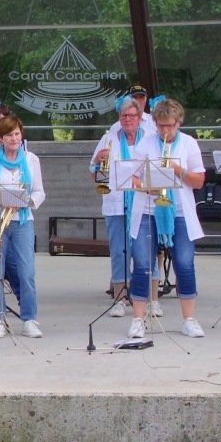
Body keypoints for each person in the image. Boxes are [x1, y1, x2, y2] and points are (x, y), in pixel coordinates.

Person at [128, 97, 206, 339]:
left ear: (178, 123)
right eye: (160, 125)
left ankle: (189, 319)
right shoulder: (146, 143)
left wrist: (177, 169)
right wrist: (146, 188)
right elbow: (131, 177)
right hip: (148, 210)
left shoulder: (189, 144)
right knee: (142, 264)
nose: (165, 130)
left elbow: (199, 181)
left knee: (184, 263)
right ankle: (138, 319)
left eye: (169, 125)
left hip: (180, 211)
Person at [0, 114, 45, 338]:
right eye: (9, 135)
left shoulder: (31, 159)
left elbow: (39, 192)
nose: (14, 138)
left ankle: (29, 319)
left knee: (26, 272)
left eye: (17, 134)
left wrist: (26, 202)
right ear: (1, 138)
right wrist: (0, 200)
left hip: (22, 221)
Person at [90, 96, 144, 308]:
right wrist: (97, 161)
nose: (128, 119)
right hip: (115, 203)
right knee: (119, 252)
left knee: (143, 251)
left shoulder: (148, 139)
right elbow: (94, 175)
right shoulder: (108, 139)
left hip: (143, 203)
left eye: (132, 115)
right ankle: (119, 298)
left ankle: (145, 297)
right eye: (124, 116)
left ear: (139, 117)